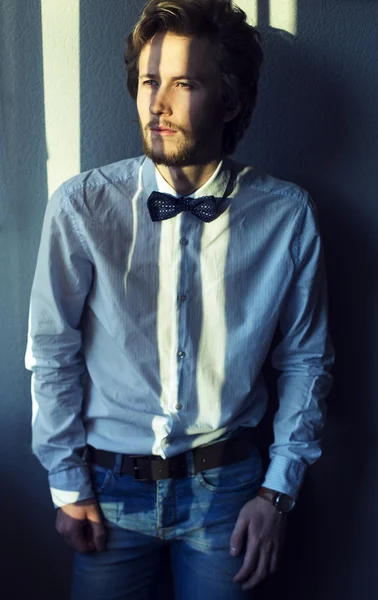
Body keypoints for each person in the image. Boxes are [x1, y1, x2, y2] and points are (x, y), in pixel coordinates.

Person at [25, 0, 334, 598]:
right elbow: (50, 349)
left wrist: (277, 492)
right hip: (107, 491)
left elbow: (307, 360)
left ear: (231, 100)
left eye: (183, 83)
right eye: (148, 82)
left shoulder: (288, 216)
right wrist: (68, 484)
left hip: (232, 492)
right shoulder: (83, 206)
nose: (156, 104)